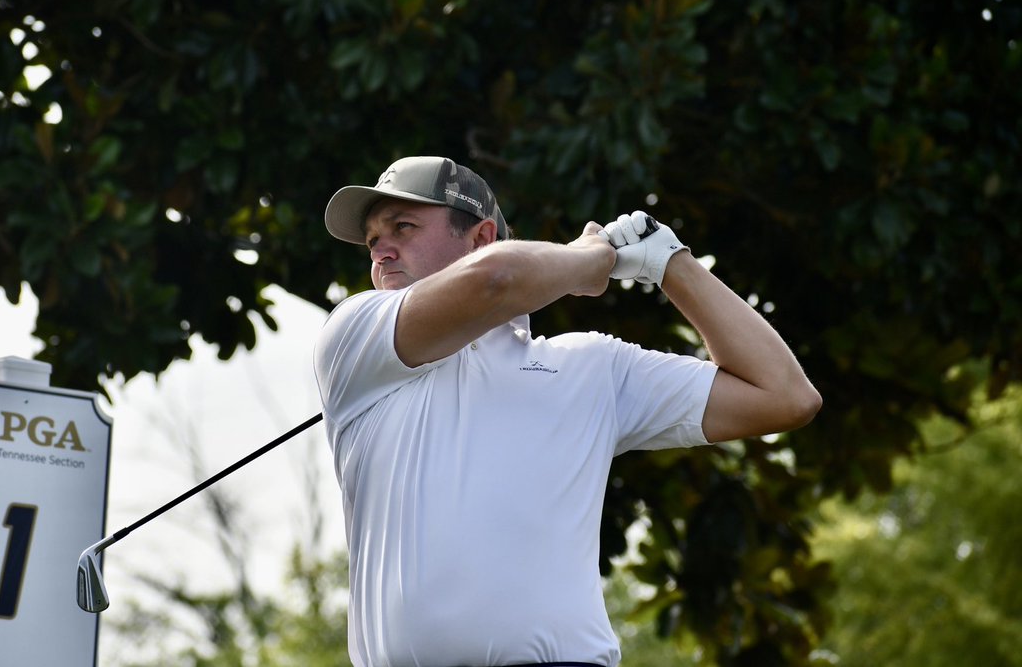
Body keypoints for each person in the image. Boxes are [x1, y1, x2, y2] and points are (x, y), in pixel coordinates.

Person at [313, 156, 821, 667]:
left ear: (480, 237)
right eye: (374, 239)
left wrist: (671, 264)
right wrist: (589, 258)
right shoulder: (356, 334)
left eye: (403, 226)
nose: (382, 250)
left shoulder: (589, 365)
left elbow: (785, 397)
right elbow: (497, 280)